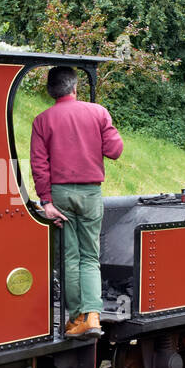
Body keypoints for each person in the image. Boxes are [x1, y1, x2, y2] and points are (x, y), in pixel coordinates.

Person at [29, 64, 124, 338]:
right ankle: (92, 316)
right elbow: (115, 151)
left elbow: (39, 164)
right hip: (90, 193)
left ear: (51, 92)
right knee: (90, 257)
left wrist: (46, 201)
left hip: (58, 195)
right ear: (75, 87)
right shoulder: (98, 113)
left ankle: (75, 319)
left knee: (69, 258)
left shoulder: (42, 120)